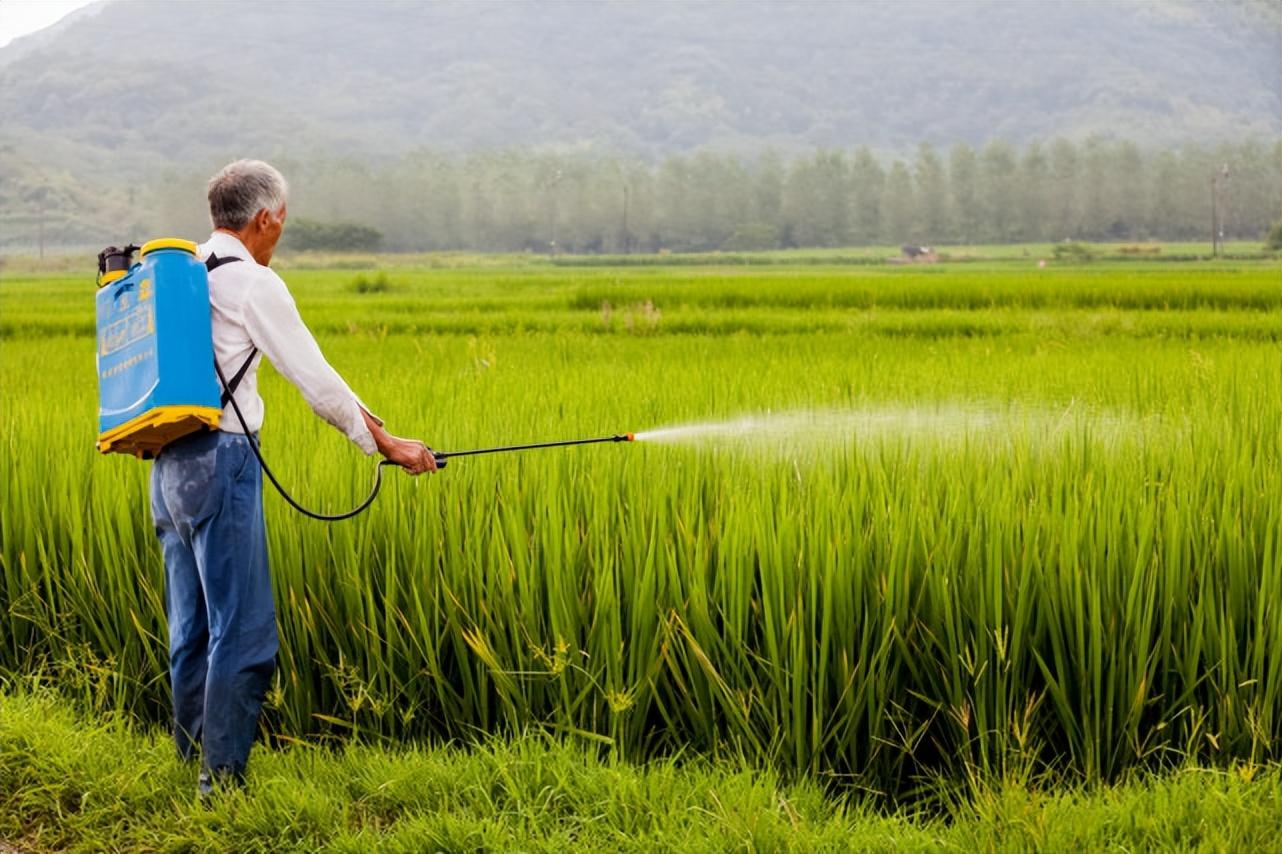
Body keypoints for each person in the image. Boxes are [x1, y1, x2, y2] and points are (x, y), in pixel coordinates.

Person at [149, 159, 436, 797]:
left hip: (168, 466)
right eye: (283, 218)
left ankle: (190, 758)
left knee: (191, 624)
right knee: (244, 633)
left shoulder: (184, 270)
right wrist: (382, 442)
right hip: (222, 462)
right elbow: (316, 379)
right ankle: (219, 788)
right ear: (266, 218)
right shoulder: (252, 285)